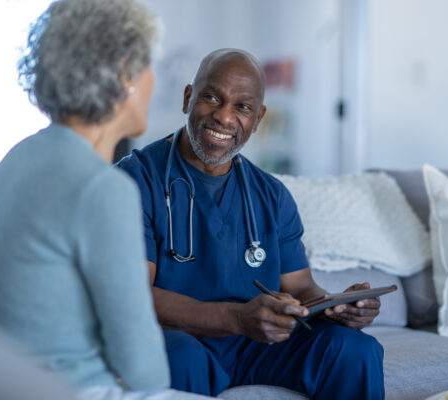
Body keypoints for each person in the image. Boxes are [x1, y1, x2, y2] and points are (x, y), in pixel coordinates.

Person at [117, 48, 385, 400]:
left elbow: (302, 287)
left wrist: (336, 308)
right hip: (176, 335)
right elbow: (132, 298)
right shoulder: (134, 179)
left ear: (258, 119)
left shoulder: (271, 194)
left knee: (353, 350)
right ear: (188, 98)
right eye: (212, 97)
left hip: (253, 343)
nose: (224, 117)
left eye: (242, 107)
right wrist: (237, 318)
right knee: (180, 357)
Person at [0, 1, 212, 399]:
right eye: (147, 65)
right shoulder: (102, 189)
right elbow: (144, 368)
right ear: (125, 74)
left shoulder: (12, 161)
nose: (152, 79)